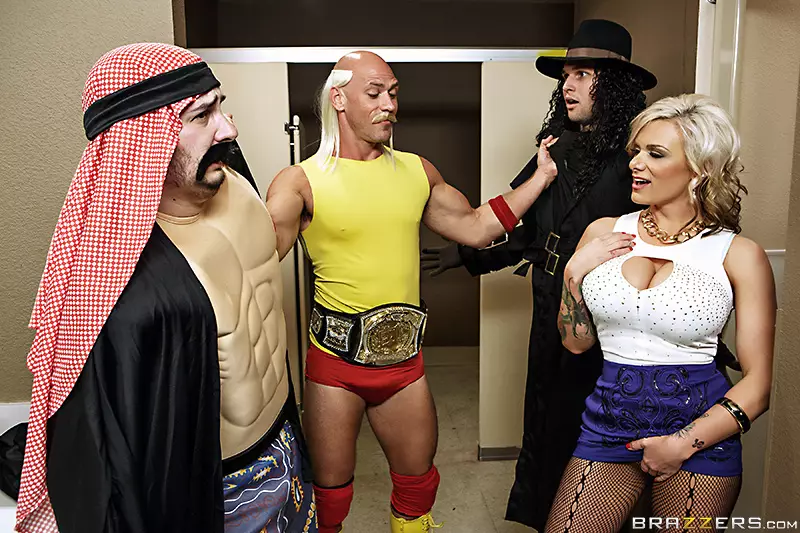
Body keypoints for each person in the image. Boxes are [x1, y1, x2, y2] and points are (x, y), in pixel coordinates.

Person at [14, 43, 316, 533]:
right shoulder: (117, 278)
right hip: (220, 488)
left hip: (286, 439)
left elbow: (253, 279)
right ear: (143, 140)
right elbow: (108, 440)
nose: (229, 129)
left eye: (221, 106)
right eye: (202, 116)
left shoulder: (237, 185)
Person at [265, 50, 559, 533]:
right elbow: (256, 259)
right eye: (374, 93)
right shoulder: (300, 181)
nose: (389, 104)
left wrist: (541, 176)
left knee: (417, 488)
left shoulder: (417, 171)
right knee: (329, 499)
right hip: (334, 367)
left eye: (393, 93)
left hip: (404, 367)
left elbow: (476, 226)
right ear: (338, 99)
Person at [421, 19, 669, 530]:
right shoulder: (556, 150)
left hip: (610, 310)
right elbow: (524, 231)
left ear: (612, 83)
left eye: (582, 75)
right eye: (566, 76)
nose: (568, 86)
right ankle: (550, 516)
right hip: (549, 297)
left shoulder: (639, 158)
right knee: (545, 411)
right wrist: (466, 256)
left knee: (593, 419)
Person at [546, 93, 776, 532]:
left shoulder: (737, 254)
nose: (635, 163)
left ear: (700, 168)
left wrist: (681, 445)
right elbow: (575, 343)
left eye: (655, 153)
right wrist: (573, 274)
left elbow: (759, 385)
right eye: (636, 151)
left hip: (702, 436)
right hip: (606, 427)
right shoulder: (603, 233)